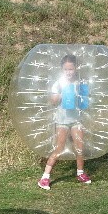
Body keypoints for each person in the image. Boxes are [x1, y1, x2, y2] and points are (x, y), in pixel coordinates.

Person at [38, 55, 91, 190]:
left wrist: (82, 93)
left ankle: (80, 173)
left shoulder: (79, 81)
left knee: (79, 147)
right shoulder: (59, 83)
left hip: (76, 120)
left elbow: (84, 100)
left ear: (75, 68)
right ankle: (45, 177)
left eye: (71, 69)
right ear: (62, 69)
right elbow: (53, 101)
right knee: (59, 148)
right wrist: (63, 94)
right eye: (66, 69)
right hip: (62, 120)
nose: (68, 72)